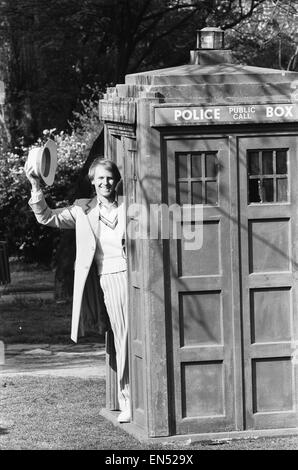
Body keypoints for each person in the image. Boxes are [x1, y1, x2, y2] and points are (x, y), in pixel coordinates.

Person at [24, 157, 130, 423]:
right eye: (101, 178)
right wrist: (36, 186)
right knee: (124, 338)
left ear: (116, 180)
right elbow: (46, 217)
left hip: (139, 277)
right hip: (110, 277)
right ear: (92, 182)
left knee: (141, 337)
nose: (106, 182)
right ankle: (128, 399)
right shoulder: (82, 211)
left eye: (110, 177)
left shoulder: (130, 206)